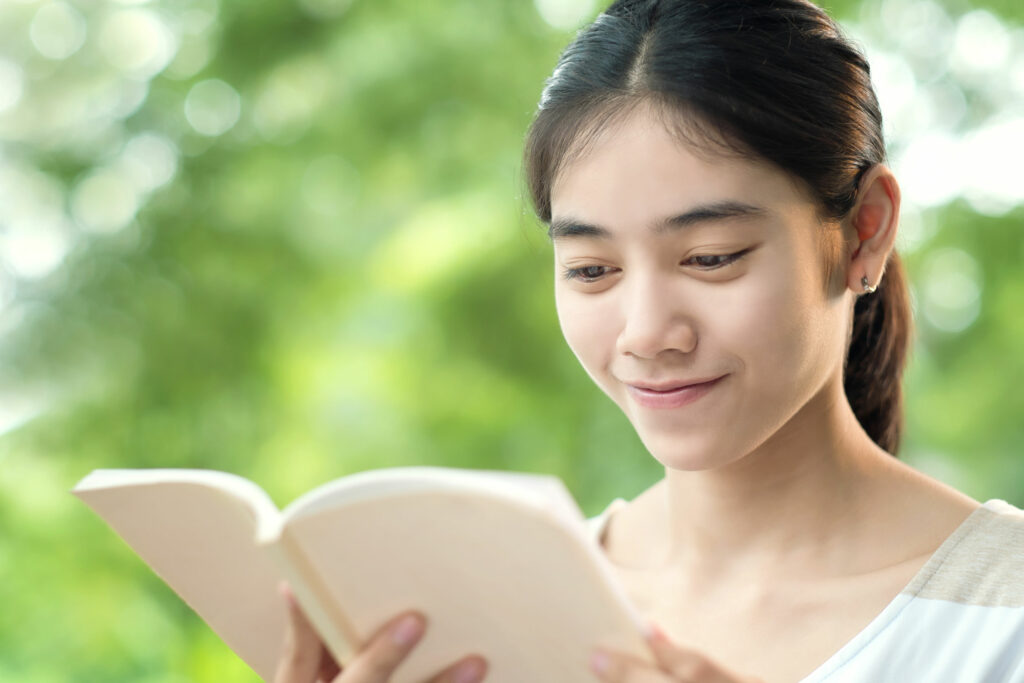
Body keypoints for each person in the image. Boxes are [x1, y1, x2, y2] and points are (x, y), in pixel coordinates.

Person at [274, 1, 1024, 681]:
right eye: (592, 269)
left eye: (711, 257)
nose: (646, 333)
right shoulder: (497, 620)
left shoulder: (1003, 614)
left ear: (865, 229)